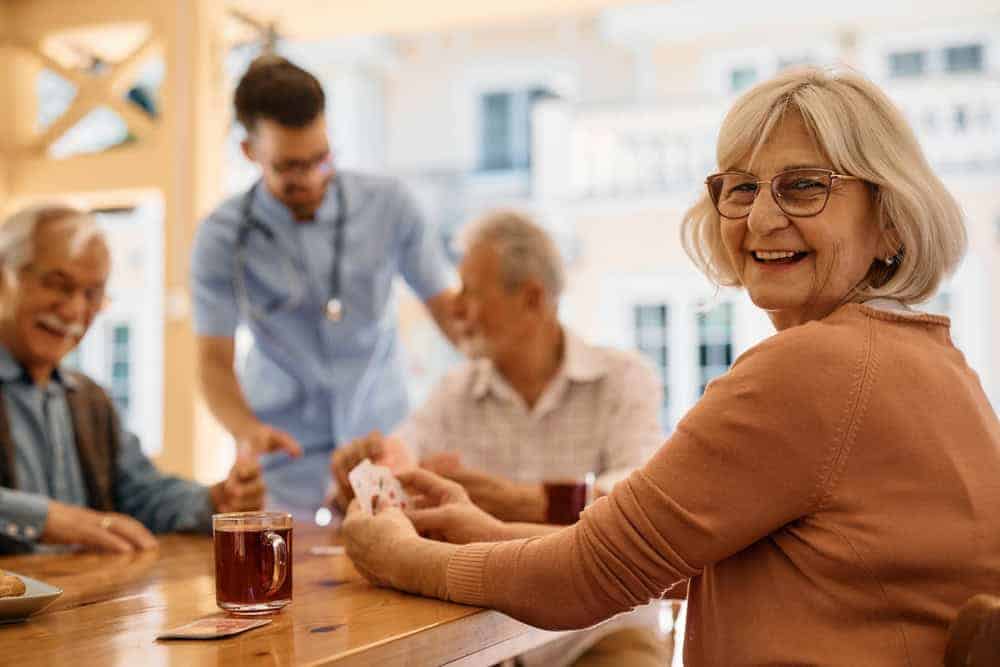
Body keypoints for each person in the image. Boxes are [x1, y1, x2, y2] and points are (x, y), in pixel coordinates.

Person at [340, 66, 1000, 666]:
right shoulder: (939, 363)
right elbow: (668, 557)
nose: (762, 217)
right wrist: (481, 531)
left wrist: (396, 553)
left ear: (889, 220)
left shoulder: (815, 366)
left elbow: (583, 577)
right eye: (741, 188)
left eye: (804, 186)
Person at [332, 212, 668, 666]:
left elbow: (638, 506)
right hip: (485, 639)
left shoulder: (624, 379)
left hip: (603, 630)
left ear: (531, 298)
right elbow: (399, 459)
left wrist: (517, 501)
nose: (455, 308)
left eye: (470, 291)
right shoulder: (454, 391)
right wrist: (366, 474)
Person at [190, 55, 456, 515]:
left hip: (381, 451)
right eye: (290, 168)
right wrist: (246, 430)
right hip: (284, 461)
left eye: (321, 159)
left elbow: (453, 317)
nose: (312, 179)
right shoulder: (221, 236)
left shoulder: (390, 206)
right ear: (250, 152)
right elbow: (214, 363)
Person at [0, 205, 265, 555]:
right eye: (58, 285)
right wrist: (47, 518)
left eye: (92, 295)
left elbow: (140, 492)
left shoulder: (90, 399)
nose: (75, 311)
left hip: (85, 600)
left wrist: (215, 500)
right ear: (5, 279)